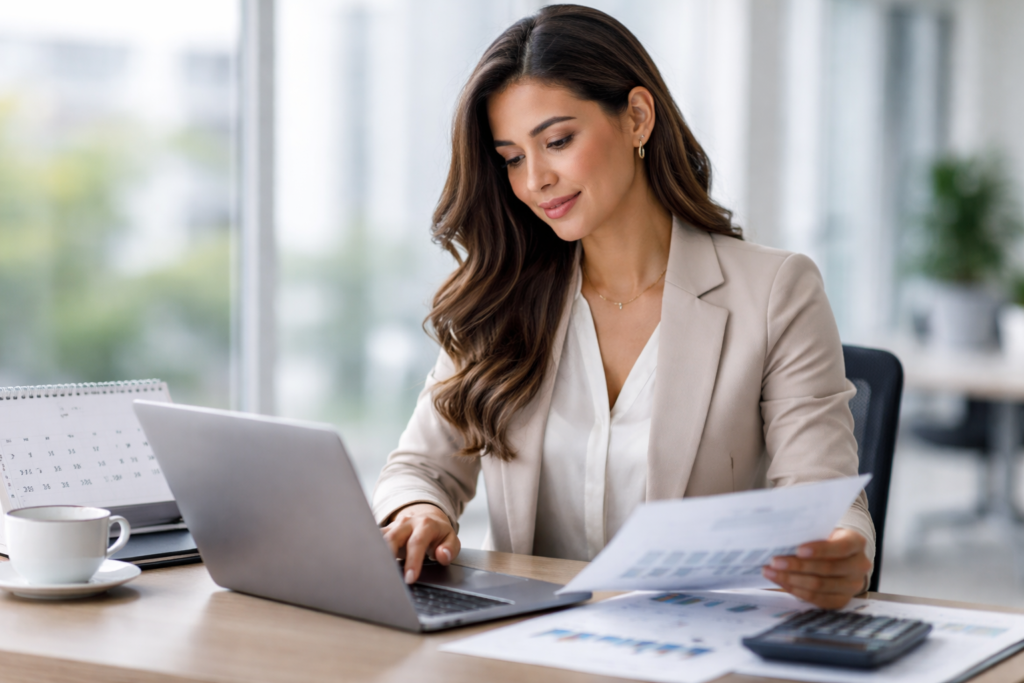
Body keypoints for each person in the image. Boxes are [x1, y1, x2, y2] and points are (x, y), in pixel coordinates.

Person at [372, 4, 874, 610]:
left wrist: (841, 551)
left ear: (637, 118)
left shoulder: (775, 292)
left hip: (698, 645)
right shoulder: (503, 298)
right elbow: (418, 470)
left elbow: (823, 497)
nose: (535, 181)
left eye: (557, 141)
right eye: (511, 158)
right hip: (530, 652)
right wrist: (418, 510)